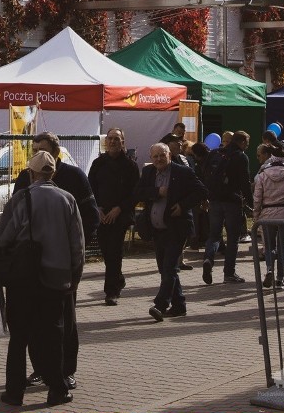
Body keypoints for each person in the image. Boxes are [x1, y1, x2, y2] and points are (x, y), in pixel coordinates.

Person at [0, 151, 84, 409]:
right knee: (52, 336)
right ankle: (57, 390)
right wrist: (74, 277)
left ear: (31, 173)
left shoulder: (22, 197)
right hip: (56, 281)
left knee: (19, 338)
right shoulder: (68, 200)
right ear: (52, 173)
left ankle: (14, 393)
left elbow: (2, 238)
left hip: (23, 279)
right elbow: (78, 246)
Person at [14, 132, 98, 392]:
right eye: (34, 148)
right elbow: (14, 217)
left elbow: (90, 217)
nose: (37, 153)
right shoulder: (25, 179)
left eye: (43, 149)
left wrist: (73, 254)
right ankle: (41, 368)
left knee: (65, 321)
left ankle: (65, 371)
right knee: (35, 322)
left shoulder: (73, 178)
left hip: (61, 267)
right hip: (32, 268)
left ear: (56, 153)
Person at [135, 142, 207, 321]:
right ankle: (179, 305)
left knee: (169, 268)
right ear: (151, 158)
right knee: (165, 269)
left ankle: (160, 305)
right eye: (155, 156)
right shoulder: (149, 172)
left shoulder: (182, 172)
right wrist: (157, 191)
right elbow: (138, 193)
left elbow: (201, 191)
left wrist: (182, 206)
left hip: (177, 229)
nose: (159, 159)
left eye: (162, 155)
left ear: (169, 155)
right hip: (157, 229)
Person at [88, 127, 140, 305]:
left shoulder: (130, 166)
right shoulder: (98, 163)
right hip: (102, 214)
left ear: (122, 142)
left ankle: (111, 292)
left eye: (116, 139)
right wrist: (98, 208)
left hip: (121, 215)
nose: (112, 142)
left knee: (115, 252)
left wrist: (119, 208)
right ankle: (118, 278)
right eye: (110, 139)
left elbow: (135, 193)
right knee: (106, 252)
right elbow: (90, 188)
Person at [202, 129, 253, 285]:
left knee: (214, 235)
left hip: (215, 199)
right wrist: (251, 204)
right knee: (232, 239)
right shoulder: (241, 157)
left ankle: (208, 258)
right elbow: (245, 182)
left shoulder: (215, 153)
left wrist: (206, 196)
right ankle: (229, 273)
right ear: (242, 142)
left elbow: (204, 174)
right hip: (232, 201)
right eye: (247, 143)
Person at [252, 143, 284, 288]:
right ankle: (280, 279)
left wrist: (256, 215)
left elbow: (257, 197)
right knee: (283, 247)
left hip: (267, 213)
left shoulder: (262, 175)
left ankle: (269, 268)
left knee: (269, 245)